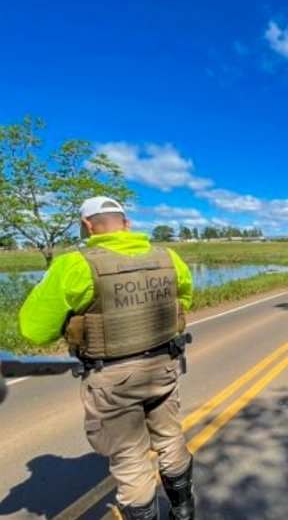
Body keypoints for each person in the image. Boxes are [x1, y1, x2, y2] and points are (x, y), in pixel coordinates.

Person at [19, 196, 195, 520]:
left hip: (111, 378)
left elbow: (34, 329)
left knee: (131, 459)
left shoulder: (76, 264)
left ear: (87, 226)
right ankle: (184, 510)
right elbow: (184, 298)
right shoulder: (167, 257)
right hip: (163, 367)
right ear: (126, 223)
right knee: (170, 439)